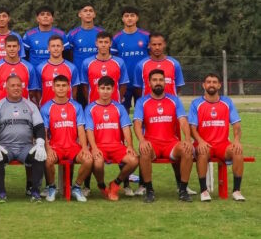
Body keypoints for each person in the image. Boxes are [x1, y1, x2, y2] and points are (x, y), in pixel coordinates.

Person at [133, 69, 194, 203]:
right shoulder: (142, 102)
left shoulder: (174, 100)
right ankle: (149, 190)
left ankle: (183, 190)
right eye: (155, 80)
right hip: (152, 143)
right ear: (149, 83)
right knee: (144, 150)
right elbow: (137, 123)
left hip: (170, 143)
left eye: (161, 80)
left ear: (165, 82)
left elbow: (183, 121)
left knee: (187, 150)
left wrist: (188, 140)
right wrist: (142, 140)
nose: (158, 83)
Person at [0, 75, 47, 202]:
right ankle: (1, 192)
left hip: (25, 147)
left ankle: (35, 192)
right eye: (13, 85)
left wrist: (40, 143)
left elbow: (40, 127)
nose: (16, 88)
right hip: (5, 146)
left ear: (23, 87)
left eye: (18, 85)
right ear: (6, 87)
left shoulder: (31, 105)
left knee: (39, 155)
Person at [188, 73, 245, 202]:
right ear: (203, 85)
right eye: (208, 82)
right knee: (202, 152)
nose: (211, 84)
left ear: (219, 85)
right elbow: (192, 128)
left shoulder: (227, 102)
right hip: (204, 143)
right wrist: (200, 141)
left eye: (214, 82)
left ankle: (236, 191)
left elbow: (236, 125)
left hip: (222, 144)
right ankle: (204, 191)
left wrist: (236, 140)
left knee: (238, 151)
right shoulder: (196, 103)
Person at [84, 76, 139, 201]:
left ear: (113, 89)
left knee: (134, 160)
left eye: (108, 88)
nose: (105, 91)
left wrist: (129, 145)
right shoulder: (90, 108)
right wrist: (94, 148)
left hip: (116, 146)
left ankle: (116, 183)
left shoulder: (119, 108)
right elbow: (89, 130)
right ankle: (102, 185)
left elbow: (126, 128)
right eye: (102, 88)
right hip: (99, 146)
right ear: (97, 89)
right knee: (97, 163)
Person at [40, 75, 92, 202]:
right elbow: (44, 131)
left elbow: (81, 129)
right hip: (56, 147)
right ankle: (52, 187)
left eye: (64, 86)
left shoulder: (76, 106)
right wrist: (48, 149)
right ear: (53, 87)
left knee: (88, 160)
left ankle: (77, 187)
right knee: (48, 161)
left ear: (69, 87)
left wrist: (84, 148)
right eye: (58, 85)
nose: (61, 88)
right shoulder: (46, 107)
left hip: (73, 147)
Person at [111, 6, 149, 110]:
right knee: (122, 112)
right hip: (124, 83)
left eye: (132, 15)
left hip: (142, 82)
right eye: (126, 16)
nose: (129, 18)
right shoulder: (116, 38)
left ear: (137, 18)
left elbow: (152, 58)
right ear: (122, 19)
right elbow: (113, 62)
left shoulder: (146, 36)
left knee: (144, 113)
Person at [0, 36, 39, 108]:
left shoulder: (29, 67)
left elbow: (32, 91)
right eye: (9, 46)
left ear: (19, 47)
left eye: (14, 46)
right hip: (3, 108)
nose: (12, 49)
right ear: (4, 48)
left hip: (23, 107)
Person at [80, 31, 129, 103]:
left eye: (106, 42)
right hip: (94, 105)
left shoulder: (119, 62)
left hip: (114, 105)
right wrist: (90, 101)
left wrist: (118, 101)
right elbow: (85, 86)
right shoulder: (87, 63)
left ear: (110, 44)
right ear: (96, 43)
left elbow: (123, 84)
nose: (103, 45)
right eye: (100, 42)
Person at [65, 3, 105, 90]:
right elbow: (68, 54)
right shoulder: (72, 34)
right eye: (85, 11)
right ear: (80, 14)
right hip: (79, 76)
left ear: (94, 14)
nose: (88, 13)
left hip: (98, 75)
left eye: (91, 11)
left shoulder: (101, 33)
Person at [132, 32, 184, 98]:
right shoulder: (141, 65)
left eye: (160, 44)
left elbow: (178, 86)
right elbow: (138, 88)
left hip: (169, 105)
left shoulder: (174, 64)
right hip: (149, 105)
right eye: (154, 44)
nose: (157, 47)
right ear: (149, 45)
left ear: (164, 44)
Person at [36, 35, 79, 106]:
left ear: (62, 48)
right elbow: (38, 90)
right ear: (48, 48)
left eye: (58, 46)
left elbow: (74, 90)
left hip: (67, 108)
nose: (56, 48)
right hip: (46, 109)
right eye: (53, 46)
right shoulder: (40, 68)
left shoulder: (72, 67)